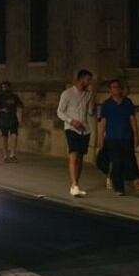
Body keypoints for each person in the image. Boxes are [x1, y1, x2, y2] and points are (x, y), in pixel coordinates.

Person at [97, 79, 139, 195]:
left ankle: (132, 179)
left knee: (127, 160)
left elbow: (132, 120)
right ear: (110, 90)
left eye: (117, 87)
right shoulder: (107, 105)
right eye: (113, 87)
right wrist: (100, 138)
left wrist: (136, 136)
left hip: (126, 137)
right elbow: (102, 122)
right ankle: (119, 188)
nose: (116, 89)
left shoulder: (127, 103)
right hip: (112, 138)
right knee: (116, 162)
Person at [57, 69, 94, 197]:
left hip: (85, 129)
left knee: (81, 157)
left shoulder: (88, 94)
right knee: (73, 154)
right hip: (71, 128)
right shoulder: (67, 94)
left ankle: (76, 185)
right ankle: (74, 184)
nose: (89, 82)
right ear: (81, 79)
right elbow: (60, 112)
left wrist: (91, 101)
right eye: (88, 80)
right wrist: (71, 121)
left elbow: (90, 112)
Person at [0, 81, 23, 162]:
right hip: (3, 120)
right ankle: (5, 156)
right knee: (5, 138)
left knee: (14, 136)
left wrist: (20, 116)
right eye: (3, 87)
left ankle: (12, 154)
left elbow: (20, 106)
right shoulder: (0, 97)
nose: (4, 88)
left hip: (13, 119)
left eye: (6, 87)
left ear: (9, 87)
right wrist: (2, 109)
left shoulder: (14, 97)